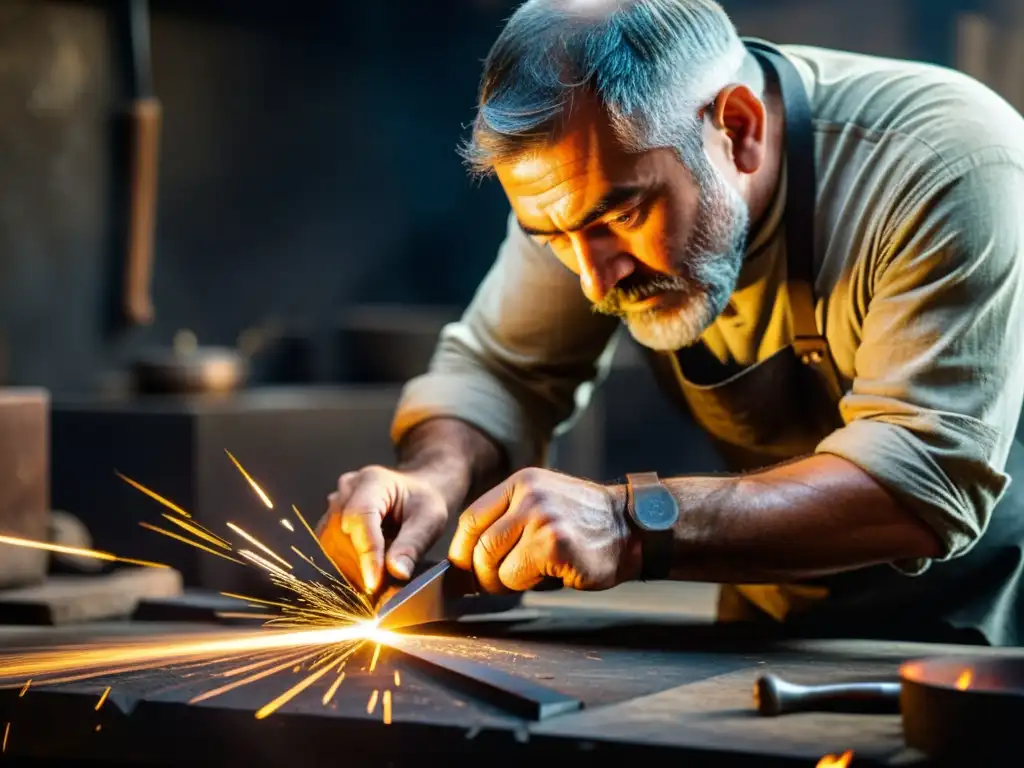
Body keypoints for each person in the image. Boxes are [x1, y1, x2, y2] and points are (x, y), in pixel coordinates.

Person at [318, 0, 1024, 645]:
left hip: (977, 628)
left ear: (738, 129)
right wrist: (436, 475)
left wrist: (630, 522)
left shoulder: (948, 163)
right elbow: (503, 371)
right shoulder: (583, 188)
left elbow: (922, 480)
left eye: (624, 217)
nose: (594, 280)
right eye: (554, 238)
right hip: (767, 615)